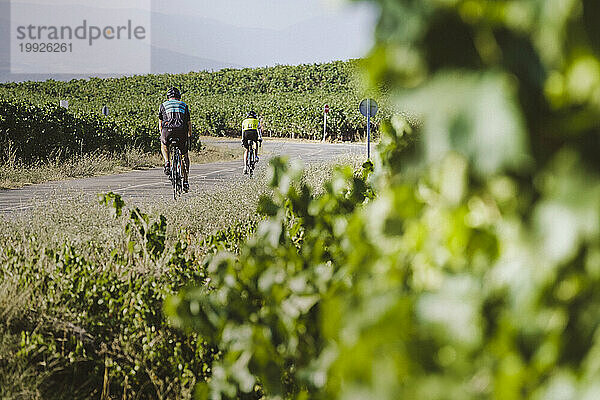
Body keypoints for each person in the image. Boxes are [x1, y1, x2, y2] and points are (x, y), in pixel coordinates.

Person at [159, 87, 192, 192]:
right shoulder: (184, 105)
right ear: (179, 97)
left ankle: (167, 162)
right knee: (184, 155)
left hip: (167, 131)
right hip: (181, 131)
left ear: (168, 97)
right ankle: (186, 181)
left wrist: (162, 135)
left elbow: (160, 124)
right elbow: (188, 123)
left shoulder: (163, 105)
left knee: (164, 144)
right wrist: (189, 135)